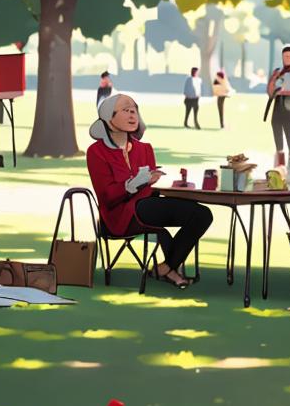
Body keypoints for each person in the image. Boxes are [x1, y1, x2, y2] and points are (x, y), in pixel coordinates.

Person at [87, 93, 212, 288]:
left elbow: (148, 189)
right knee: (154, 208)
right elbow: (107, 196)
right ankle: (169, 271)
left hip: (146, 207)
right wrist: (133, 184)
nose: (132, 114)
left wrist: (153, 181)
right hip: (119, 216)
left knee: (202, 214)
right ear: (109, 119)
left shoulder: (144, 148)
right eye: (125, 110)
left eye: (134, 110)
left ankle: (166, 267)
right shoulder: (96, 152)